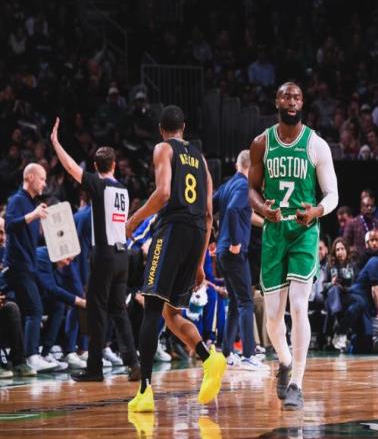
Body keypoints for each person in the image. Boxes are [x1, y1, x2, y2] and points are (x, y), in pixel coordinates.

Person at [125, 105, 225, 413]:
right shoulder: (202, 160)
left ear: (161, 130)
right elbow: (208, 215)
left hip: (172, 230)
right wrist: (199, 262)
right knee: (171, 314)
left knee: (152, 308)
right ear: (184, 127)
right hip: (196, 234)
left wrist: (134, 220)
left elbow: (164, 193)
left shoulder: (163, 149)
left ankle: (145, 391)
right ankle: (210, 359)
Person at [249, 82, 339, 410]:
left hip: (304, 230)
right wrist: (263, 209)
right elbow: (251, 190)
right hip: (274, 231)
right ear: (277, 101)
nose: (292, 101)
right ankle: (285, 362)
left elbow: (333, 194)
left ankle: (297, 383)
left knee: (299, 306)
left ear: (303, 103)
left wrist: (316, 212)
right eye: (286, 96)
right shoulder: (262, 143)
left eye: (297, 97)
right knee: (273, 318)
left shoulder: (316, 144)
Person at [50, 118, 140, 382]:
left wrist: (56, 143)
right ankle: (133, 362)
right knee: (119, 311)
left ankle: (95, 369)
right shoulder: (123, 189)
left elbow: (69, 167)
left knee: (97, 311)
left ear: (94, 167)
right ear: (114, 165)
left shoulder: (99, 186)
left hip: (104, 255)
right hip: (122, 255)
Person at [213, 149, 266, 370]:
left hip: (222, 252)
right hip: (234, 252)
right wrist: (235, 241)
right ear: (250, 167)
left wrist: (266, 222)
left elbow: (213, 207)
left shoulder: (228, 185)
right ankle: (248, 355)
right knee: (246, 301)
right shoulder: (244, 186)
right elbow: (234, 209)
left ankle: (226, 352)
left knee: (235, 302)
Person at [4, 163, 58, 372]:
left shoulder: (31, 204)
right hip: (18, 265)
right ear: (31, 177)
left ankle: (25, 356)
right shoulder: (17, 200)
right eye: (42, 179)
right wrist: (33, 216)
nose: (45, 184)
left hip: (28, 265)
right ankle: (31, 355)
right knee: (35, 309)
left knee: (31, 309)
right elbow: (9, 225)